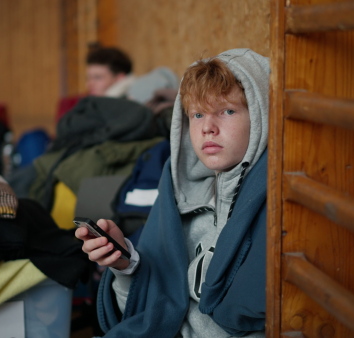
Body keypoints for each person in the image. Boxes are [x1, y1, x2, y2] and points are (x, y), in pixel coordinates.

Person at [76, 48, 269, 337]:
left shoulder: (277, 203)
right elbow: (147, 316)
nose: (208, 128)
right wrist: (125, 265)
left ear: (260, 114)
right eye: (198, 114)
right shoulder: (183, 194)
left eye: (228, 111)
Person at [56, 46, 135, 122]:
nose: (89, 84)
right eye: (88, 78)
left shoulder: (134, 106)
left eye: (97, 77)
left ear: (120, 79)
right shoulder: (79, 105)